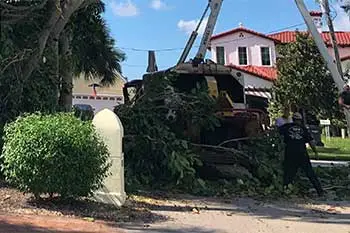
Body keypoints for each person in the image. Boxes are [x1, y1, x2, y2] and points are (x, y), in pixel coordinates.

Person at [279, 112, 324, 197]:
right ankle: (320, 191)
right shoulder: (303, 129)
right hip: (302, 153)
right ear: (300, 120)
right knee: (310, 173)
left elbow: (276, 132)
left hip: (290, 153)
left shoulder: (286, 127)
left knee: (289, 173)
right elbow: (311, 141)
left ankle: (285, 189)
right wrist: (315, 152)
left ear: (293, 119)